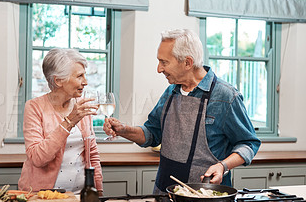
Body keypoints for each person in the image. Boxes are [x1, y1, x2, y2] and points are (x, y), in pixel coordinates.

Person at [104, 29, 261, 193]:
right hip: (165, 194)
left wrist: (223, 165)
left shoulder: (226, 96)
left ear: (187, 62)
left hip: (206, 198)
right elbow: (152, 133)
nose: (159, 69)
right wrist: (123, 130)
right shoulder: (171, 92)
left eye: (164, 62)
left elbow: (249, 143)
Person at [18, 48, 103, 195]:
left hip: (81, 196)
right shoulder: (34, 107)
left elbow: (92, 154)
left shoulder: (80, 106)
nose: (86, 82)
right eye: (79, 76)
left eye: (85, 75)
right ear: (58, 81)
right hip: (42, 197)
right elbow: (38, 158)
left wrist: (98, 190)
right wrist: (69, 122)